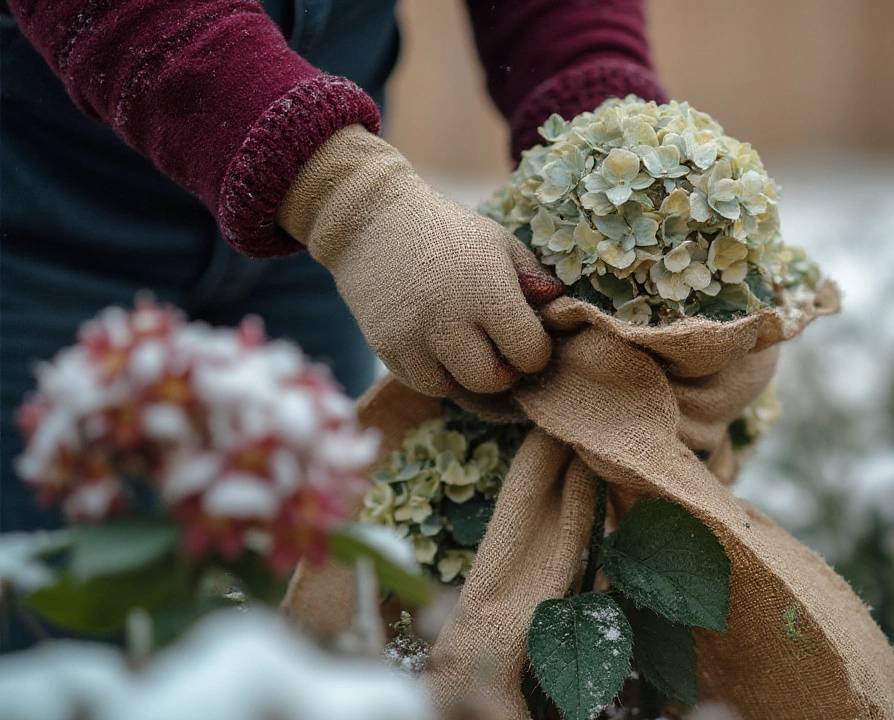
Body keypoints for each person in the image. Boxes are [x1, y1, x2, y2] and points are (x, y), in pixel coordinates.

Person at [0, 0, 668, 543]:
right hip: (47, 229)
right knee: (55, 632)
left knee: (298, 618)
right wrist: (348, 199)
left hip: (303, 256)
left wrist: (613, 153)